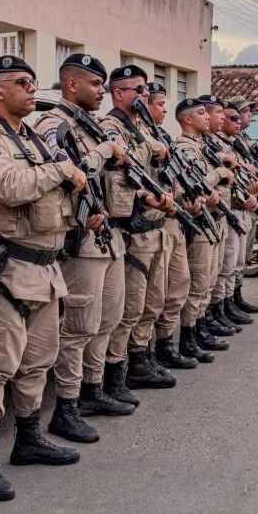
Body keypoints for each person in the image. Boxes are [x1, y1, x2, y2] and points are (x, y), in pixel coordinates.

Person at [0, 55, 84, 502]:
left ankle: (28, 438)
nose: (33, 90)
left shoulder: (32, 137)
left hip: (46, 266)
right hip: (9, 268)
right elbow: (9, 188)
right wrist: (62, 170)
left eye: (33, 83)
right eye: (22, 82)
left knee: (37, 361)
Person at [34, 53, 134, 445]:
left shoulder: (91, 126)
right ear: (71, 84)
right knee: (78, 327)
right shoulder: (52, 124)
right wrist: (106, 151)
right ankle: (67, 406)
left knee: (107, 318)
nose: (102, 91)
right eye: (95, 84)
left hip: (106, 234)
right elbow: (68, 174)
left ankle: (94, 388)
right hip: (80, 240)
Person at [101, 65, 177, 398]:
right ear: (118, 93)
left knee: (152, 302)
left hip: (154, 226)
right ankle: (116, 372)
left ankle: (141, 358)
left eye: (146, 90)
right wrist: (149, 197)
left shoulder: (143, 127)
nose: (145, 95)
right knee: (128, 308)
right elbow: (120, 177)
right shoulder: (111, 128)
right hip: (133, 230)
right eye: (139, 90)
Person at [174, 97, 235, 358]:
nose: (208, 116)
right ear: (187, 119)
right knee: (198, 283)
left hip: (214, 219)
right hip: (200, 223)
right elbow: (195, 183)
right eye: (202, 113)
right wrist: (220, 173)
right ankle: (189, 337)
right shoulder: (184, 147)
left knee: (209, 281)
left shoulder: (202, 146)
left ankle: (201, 328)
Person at [145, 83, 200, 370]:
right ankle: (143, 354)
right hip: (157, 222)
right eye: (160, 104)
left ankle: (166, 344)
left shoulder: (161, 137)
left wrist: (187, 198)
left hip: (174, 219)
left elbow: (176, 179)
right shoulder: (141, 139)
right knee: (153, 296)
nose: (164, 110)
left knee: (179, 285)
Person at [228, 95, 258, 314]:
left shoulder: (245, 139)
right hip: (235, 205)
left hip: (248, 203)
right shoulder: (228, 141)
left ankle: (236, 296)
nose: (249, 115)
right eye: (246, 111)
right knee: (230, 262)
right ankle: (228, 301)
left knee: (243, 257)